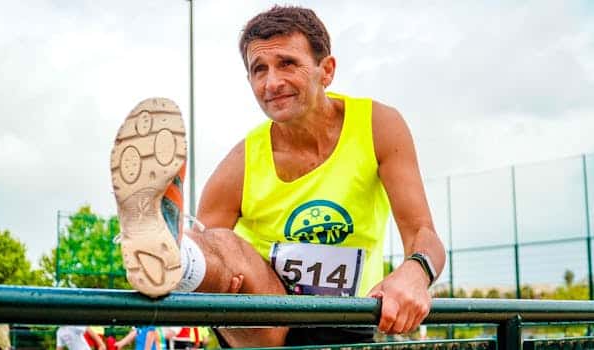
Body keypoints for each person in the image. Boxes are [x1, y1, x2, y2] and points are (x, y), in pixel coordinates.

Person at [110, 5, 445, 348]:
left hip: (345, 319)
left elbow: (425, 234)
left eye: (287, 63)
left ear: (326, 70)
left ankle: (175, 248)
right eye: (259, 69)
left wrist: (415, 272)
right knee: (222, 244)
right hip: (262, 320)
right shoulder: (239, 164)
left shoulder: (378, 126)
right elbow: (216, 258)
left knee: (222, 247)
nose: (272, 82)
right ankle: (172, 249)